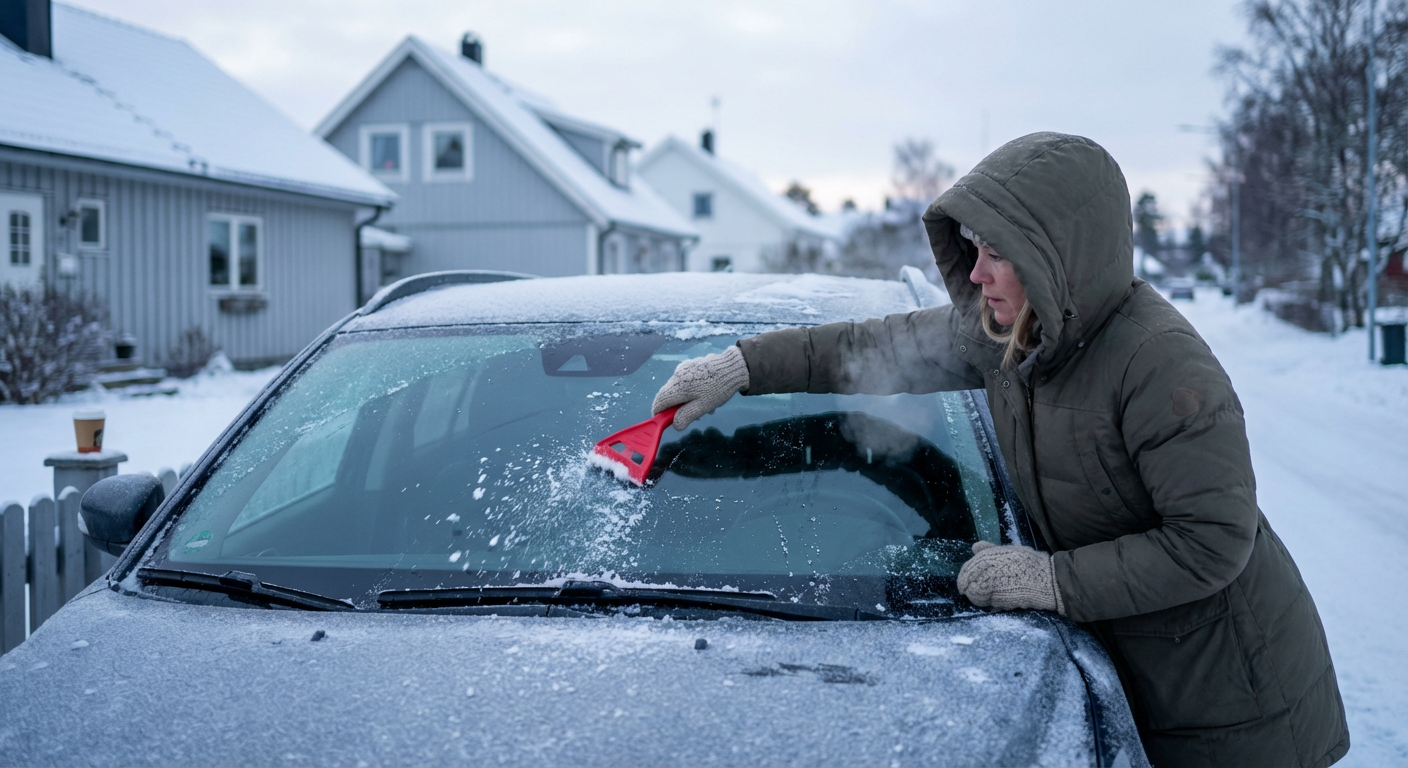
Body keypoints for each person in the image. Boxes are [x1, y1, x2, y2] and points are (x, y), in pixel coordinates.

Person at [652, 133, 1349, 767]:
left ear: (1057, 259)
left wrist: (1052, 581)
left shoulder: (1162, 367)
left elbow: (1212, 542)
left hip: (1230, 696)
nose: (978, 274)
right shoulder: (1009, 337)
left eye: (997, 253)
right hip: (1133, 664)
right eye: (972, 250)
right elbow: (872, 348)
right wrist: (741, 368)